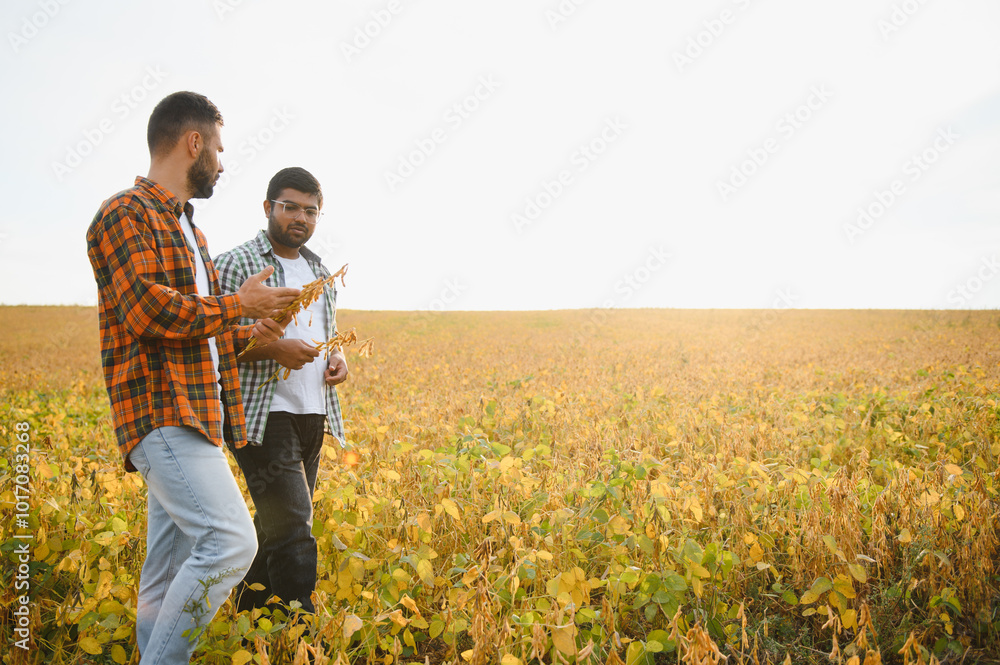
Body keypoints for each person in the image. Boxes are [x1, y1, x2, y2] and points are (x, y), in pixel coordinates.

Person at [85, 91, 300, 664]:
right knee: (231, 543)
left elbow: (201, 330)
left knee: (169, 571)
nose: (223, 164)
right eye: (220, 149)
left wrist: (257, 332)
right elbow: (148, 311)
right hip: (160, 411)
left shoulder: (191, 231)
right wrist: (235, 305)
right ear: (194, 142)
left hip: (198, 415)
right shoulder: (123, 213)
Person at [215, 166, 348, 615]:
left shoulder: (319, 270)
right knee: (294, 528)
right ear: (268, 207)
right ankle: (301, 637)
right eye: (290, 207)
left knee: (276, 527)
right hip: (261, 415)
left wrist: (337, 359)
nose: (301, 218)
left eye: (311, 211)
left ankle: (248, 620)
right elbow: (213, 342)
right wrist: (274, 350)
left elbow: (325, 331)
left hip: (313, 414)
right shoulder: (237, 263)